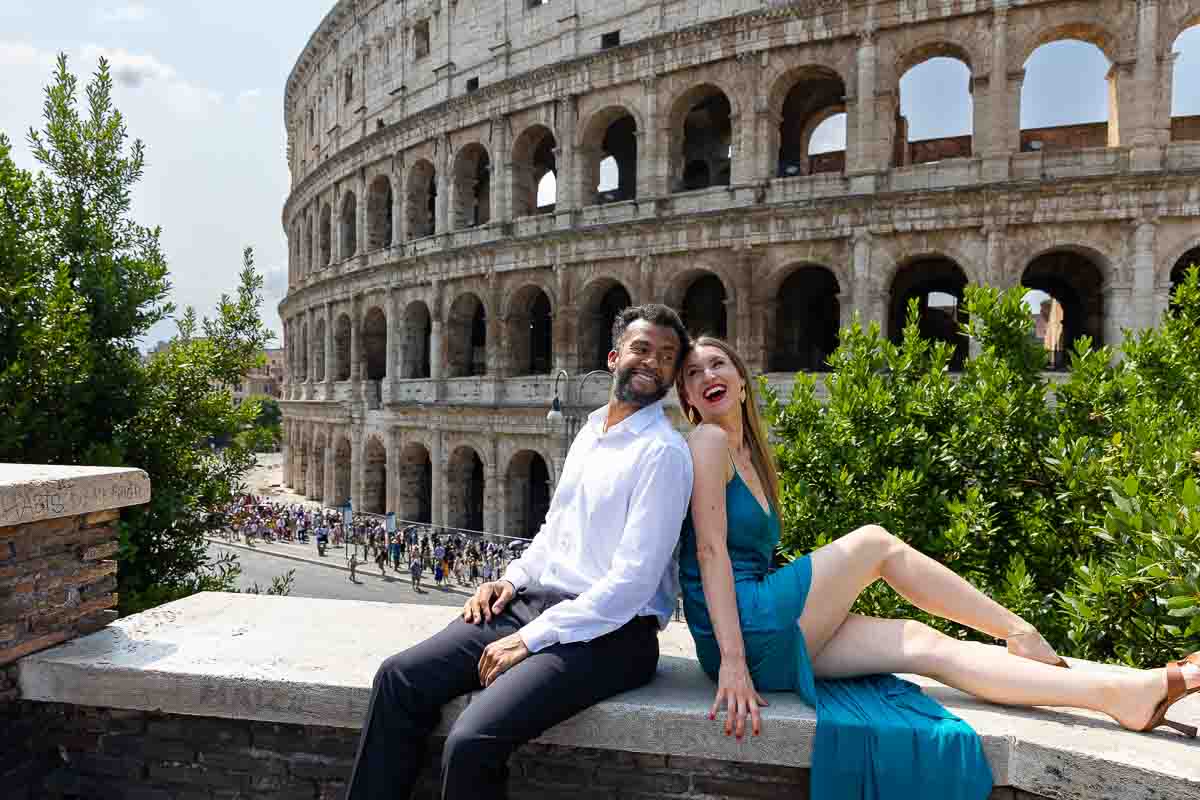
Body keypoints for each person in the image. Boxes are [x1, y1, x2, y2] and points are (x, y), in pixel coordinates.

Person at [674, 336, 1200, 800]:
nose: (706, 377)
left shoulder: (751, 456)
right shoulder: (709, 441)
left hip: (761, 622)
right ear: (689, 399)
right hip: (742, 629)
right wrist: (734, 662)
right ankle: (1017, 628)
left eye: (717, 364)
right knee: (875, 542)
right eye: (693, 374)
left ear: (742, 381)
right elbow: (710, 554)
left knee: (925, 645)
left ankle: (1123, 696)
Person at [346, 305, 694, 800]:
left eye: (667, 356)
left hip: (615, 634)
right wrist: (512, 579)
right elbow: (555, 531)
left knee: (471, 742)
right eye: (643, 349)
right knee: (398, 679)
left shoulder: (663, 453)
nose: (653, 362)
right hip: (538, 603)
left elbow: (634, 584)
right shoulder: (592, 432)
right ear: (614, 357)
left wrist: (530, 638)